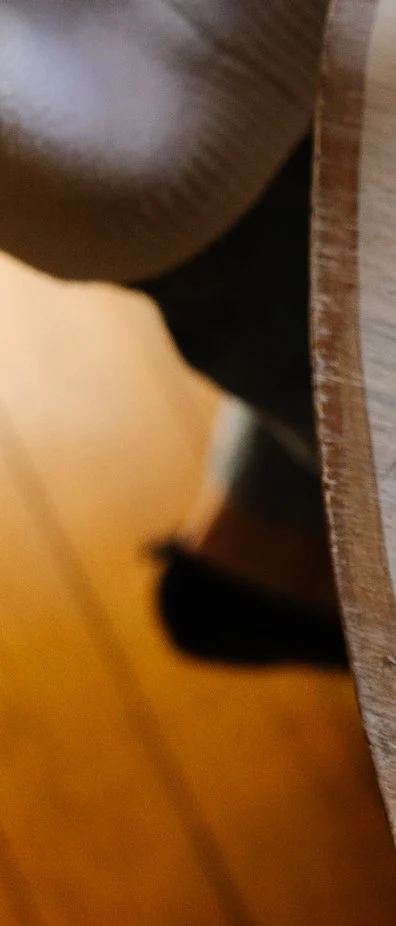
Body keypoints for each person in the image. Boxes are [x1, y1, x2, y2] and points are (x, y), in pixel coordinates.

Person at [1, 0, 341, 663]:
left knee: (304, 342)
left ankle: (264, 544)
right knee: (382, 403)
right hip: (139, 110)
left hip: (136, 111)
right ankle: (277, 553)